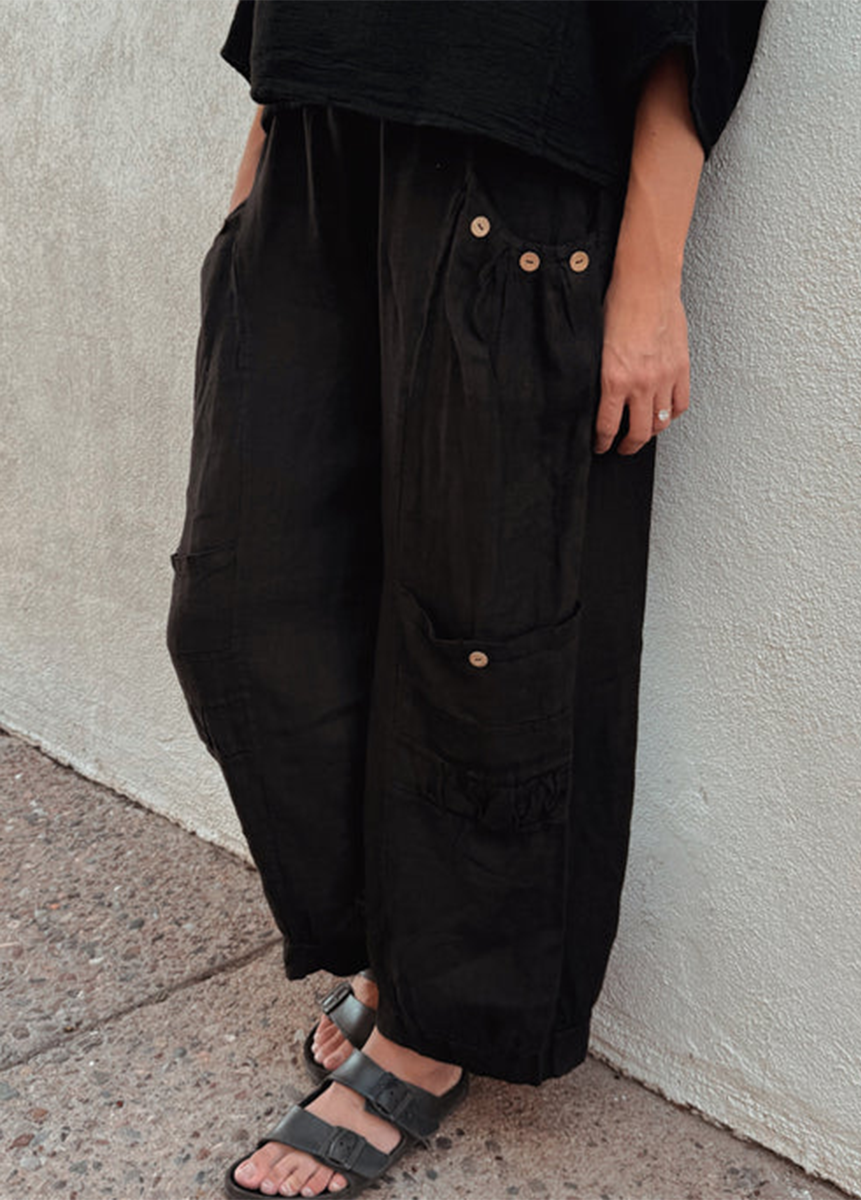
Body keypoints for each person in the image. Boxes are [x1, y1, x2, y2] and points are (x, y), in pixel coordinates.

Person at [166, 2, 768, 1196]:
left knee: (482, 634)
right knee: (244, 601)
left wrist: (650, 276)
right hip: (311, 155)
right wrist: (253, 200)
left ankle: (431, 1029)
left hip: (514, 172)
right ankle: (396, 942)